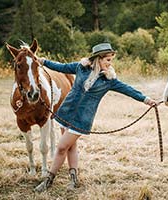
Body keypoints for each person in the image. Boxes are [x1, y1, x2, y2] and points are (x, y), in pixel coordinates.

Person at [34, 43, 156, 192]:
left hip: (82, 120)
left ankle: (48, 181)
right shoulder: (81, 67)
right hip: (66, 112)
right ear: (98, 58)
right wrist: (43, 61)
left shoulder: (109, 80)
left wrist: (146, 99)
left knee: (61, 148)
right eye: (108, 60)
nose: (110, 63)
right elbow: (62, 67)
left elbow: (128, 89)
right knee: (71, 146)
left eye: (111, 60)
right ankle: (73, 179)